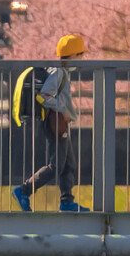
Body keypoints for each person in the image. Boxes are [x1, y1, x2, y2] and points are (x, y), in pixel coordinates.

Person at [12, 34, 87, 213]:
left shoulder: (60, 71)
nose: (83, 58)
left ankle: (67, 202)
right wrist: (64, 109)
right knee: (57, 165)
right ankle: (24, 190)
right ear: (73, 55)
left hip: (59, 123)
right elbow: (43, 96)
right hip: (55, 123)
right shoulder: (59, 72)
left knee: (69, 164)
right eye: (81, 54)